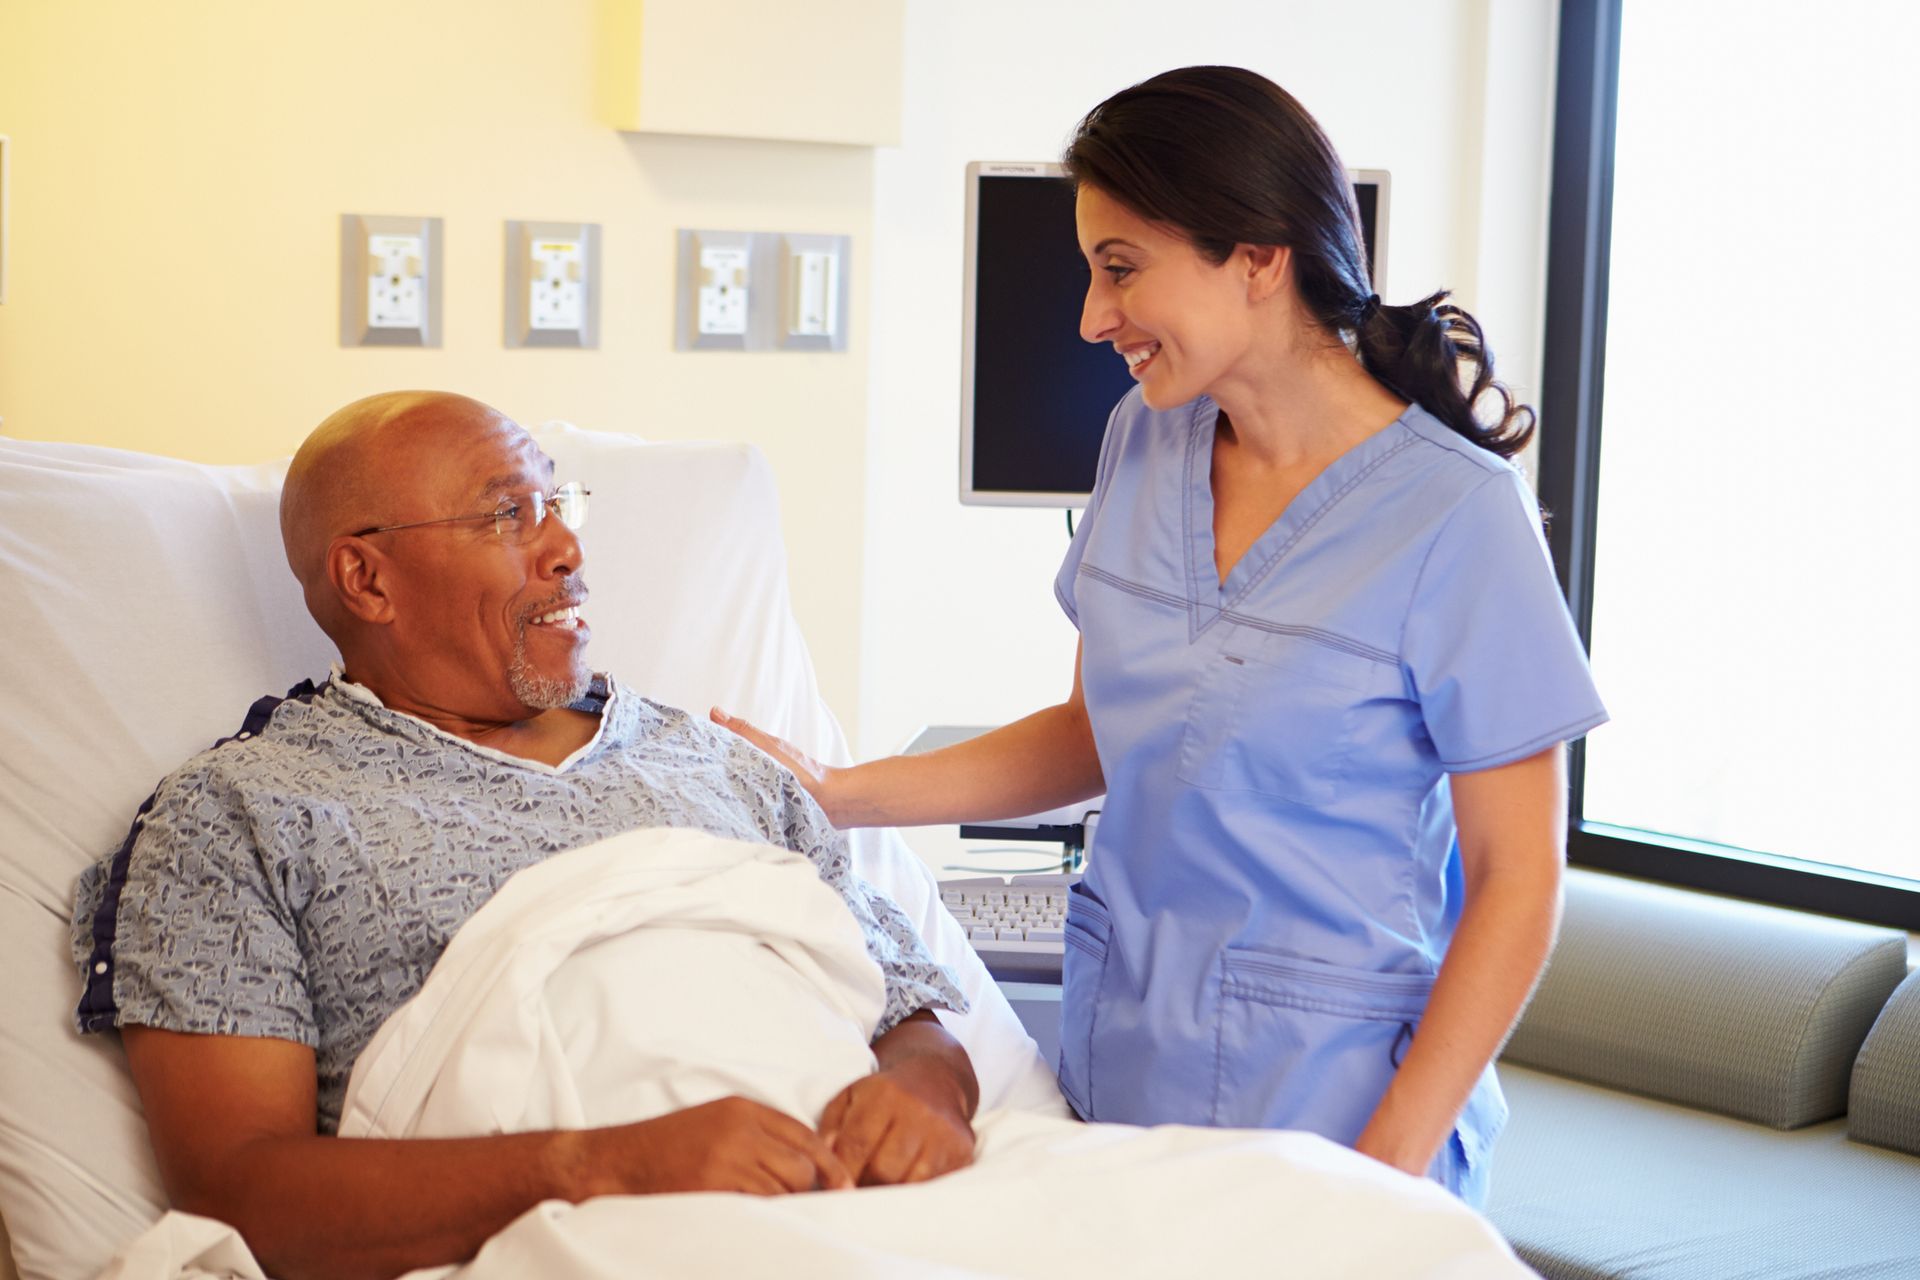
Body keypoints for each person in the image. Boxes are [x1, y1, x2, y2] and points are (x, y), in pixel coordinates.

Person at [715, 65, 1607, 1207]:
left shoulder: (1454, 512)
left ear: (1258, 255)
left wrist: (1386, 1179)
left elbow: (1517, 882)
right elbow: (1097, 731)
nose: (1093, 318)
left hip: (1339, 1112)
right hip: (1124, 1078)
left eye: (1121, 269)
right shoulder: (1144, 439)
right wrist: (842, 790)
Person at [68, 391, 978, 1280]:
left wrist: (926, 1089)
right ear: (367, 580)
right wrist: (603, 1168)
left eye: (559, 504)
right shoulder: (242, 814)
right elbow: (241, 1198)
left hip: (874, 1204)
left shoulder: (715, 761)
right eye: (510, 513)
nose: (568, 548)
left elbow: (904, 1009)